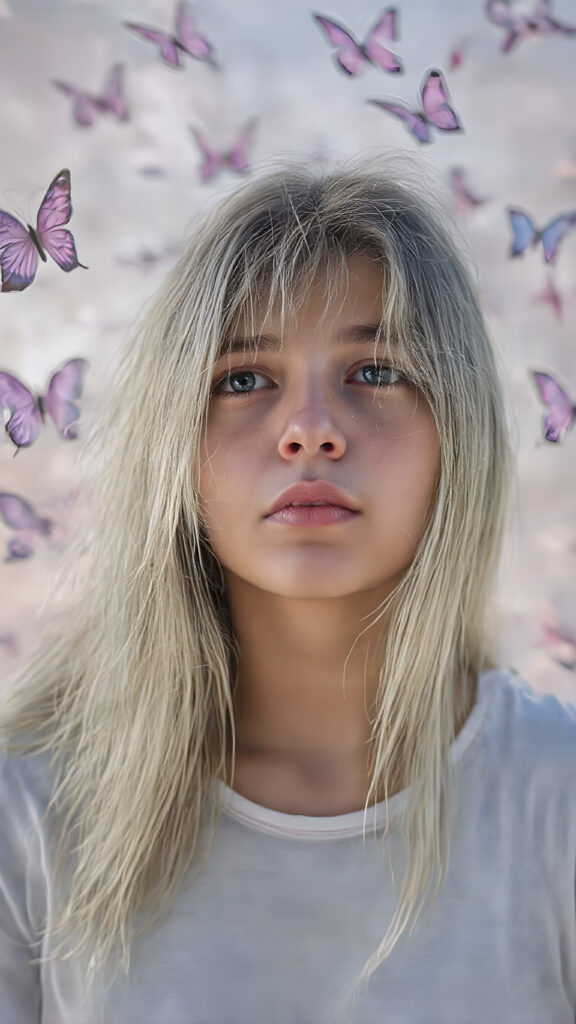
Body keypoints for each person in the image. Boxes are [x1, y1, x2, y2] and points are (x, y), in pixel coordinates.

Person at [1, 157, 575, 1024]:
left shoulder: (557, 795)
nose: (310, 430)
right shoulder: (29, 812)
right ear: (174, 447)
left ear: (457, 431)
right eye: (243, 380)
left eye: (376, 371)